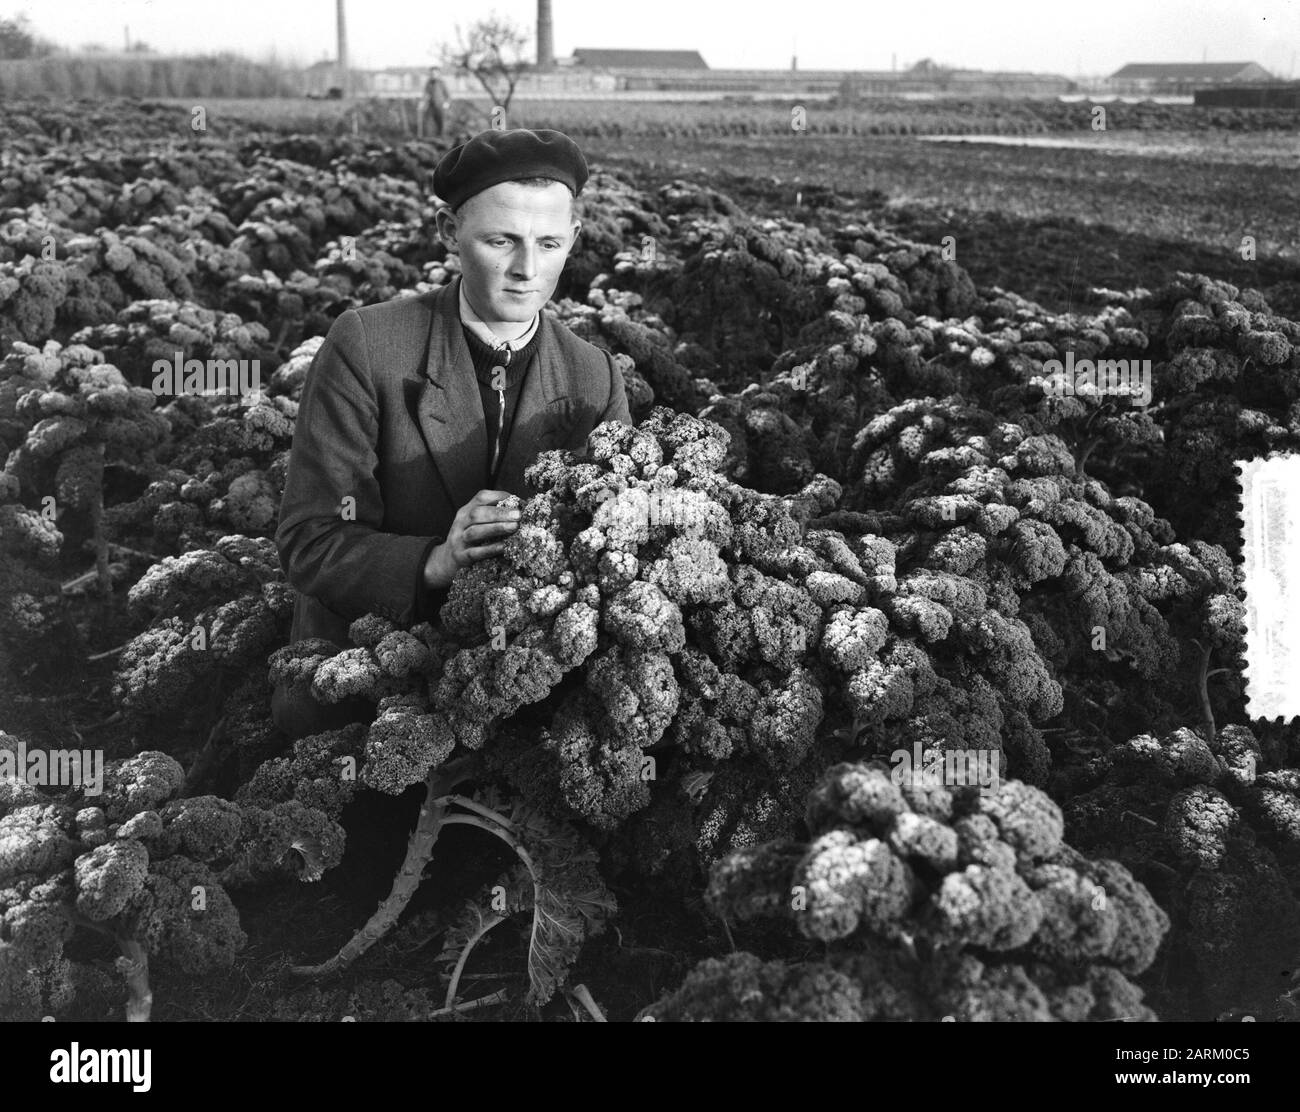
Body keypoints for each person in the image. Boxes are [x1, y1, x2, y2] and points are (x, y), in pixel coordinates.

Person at [272, 128, 631, 740]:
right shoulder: (367, 346)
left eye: (548, 243)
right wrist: (435, 563)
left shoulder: (593, 375)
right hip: (366, 692)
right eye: (501, 241)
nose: (527, 270)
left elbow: (614, 554)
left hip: (515, 699)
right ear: (448, 232)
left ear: (574, 238)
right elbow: (310, 540)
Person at [422, 65, 451, 138]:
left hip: (440, 106)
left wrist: (447, 103)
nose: (433, 75)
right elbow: (426, 93)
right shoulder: (429, 83)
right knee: (428, 122)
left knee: (441, 123)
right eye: (431, 73)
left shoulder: (442, 83)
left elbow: (448, 95)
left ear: (438, 74)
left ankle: (442, 138)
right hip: (431, 105)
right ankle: (429, 138)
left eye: (434, 73)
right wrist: (422, 102)